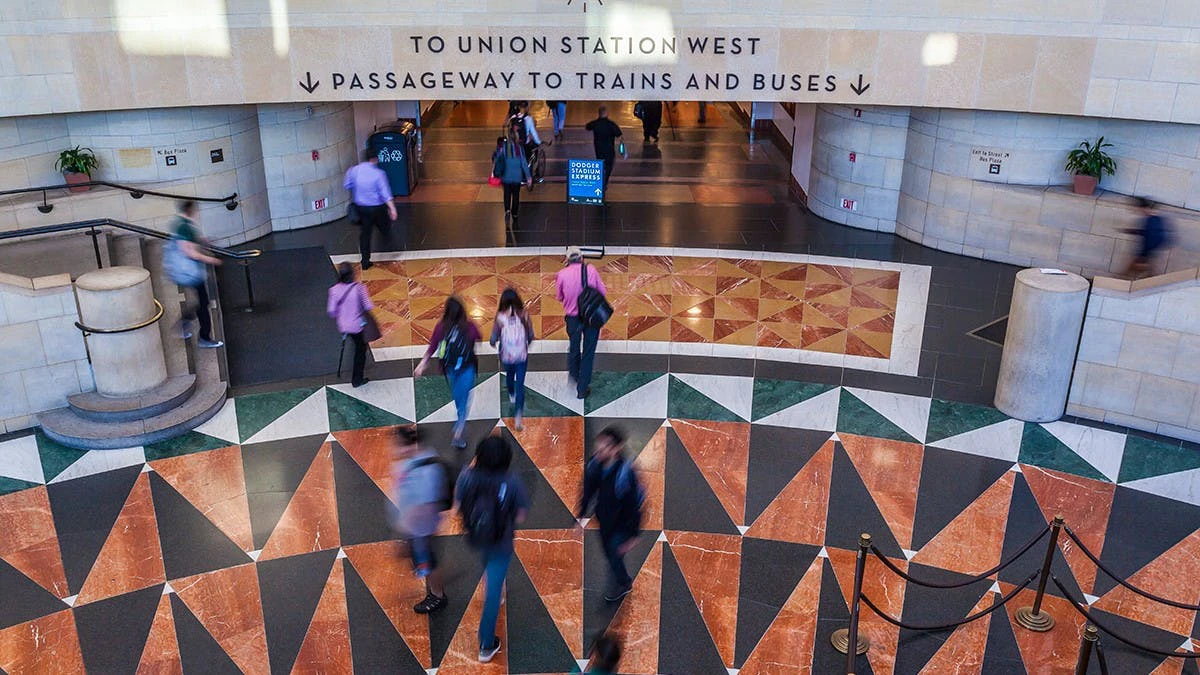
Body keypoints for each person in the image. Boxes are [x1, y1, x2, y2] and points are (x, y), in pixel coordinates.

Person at [455, 435, 528, 663]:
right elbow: (520, 515)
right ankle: (486, 644)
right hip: (501, 540)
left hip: (477, 537)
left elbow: (457, 506)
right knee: (492, 593)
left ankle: (499, 587)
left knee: (489, 565)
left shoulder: (467, 476)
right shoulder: (512, 481)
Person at [577, 426, 644, 602]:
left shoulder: (625, 474)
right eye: (598, 445)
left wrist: (633, 536)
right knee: (609, 552)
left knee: (614, 555)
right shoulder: (594, 464)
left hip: (622, 525)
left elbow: (634, 506)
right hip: (604, 520)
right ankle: (619, 576)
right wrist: (581, 515)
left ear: (616, 449)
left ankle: (624, 583)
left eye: (605, 446)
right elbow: (588, 490)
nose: (599, 449)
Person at [389, 424, 449, 614]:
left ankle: (437, 596)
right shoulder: (410, 463)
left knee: (429, 561)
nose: (396, 450)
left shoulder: (426, 470)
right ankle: (433, 586)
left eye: (399, 445)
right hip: (415, 527)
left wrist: (403, 528)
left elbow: (425, 504)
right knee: (425, 560)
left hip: (421, 528)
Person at [414, 297, 481, 449]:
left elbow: (432, 347)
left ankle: (460, 420)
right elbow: (478, 336)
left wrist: (422, 364)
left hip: (450, 368)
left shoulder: (441, 328)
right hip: (467, 367)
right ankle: (459, 428)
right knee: (464, 399)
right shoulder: (469, 326)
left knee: (458, 395)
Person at [169, 200, 224, 349]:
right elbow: (190, 252)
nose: (197, 213)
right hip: (191, 273)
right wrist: (212, 260)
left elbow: (187, 243)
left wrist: (202, 241)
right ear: (190, 210)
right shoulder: (185, 227)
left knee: (203, 302)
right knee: (203, 303)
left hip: (189, 272)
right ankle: (204, 337)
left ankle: (185, 324)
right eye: (196, 210)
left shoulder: (181, 224)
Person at [555, 246, 607, 399]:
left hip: (573, 318)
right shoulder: (591, 270)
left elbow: (559, 297)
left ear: (567, 260)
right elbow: (602, 292)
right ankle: (582, 388)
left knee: (574, 347)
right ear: (581, 258)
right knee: (588, 352)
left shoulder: (561, 275)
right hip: (591, 316)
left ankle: (574, 375)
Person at [344, 148, 397, 270]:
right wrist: (392, 208)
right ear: (374, 159)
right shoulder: (379, 174)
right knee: (385, 227)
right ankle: (387, 246)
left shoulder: (353, 171)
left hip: (361, 208)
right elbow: (385, 194)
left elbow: (347, 185)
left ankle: (365, 261)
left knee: (365, 234)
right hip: (378, 208)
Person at [490, 288, 534, 431]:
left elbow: (493, 338)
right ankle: (518, 418)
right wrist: (527, 342)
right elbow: (531, 335)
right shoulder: (524, 314)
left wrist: (494, 342)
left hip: (507, 355)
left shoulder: (500, 317)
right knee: (520, 384)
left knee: (509, 376)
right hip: (521, 355)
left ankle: (511, 394)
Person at [326, 262, 374, 387]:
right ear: (352, 274)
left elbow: (331, 311)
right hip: (357, 326)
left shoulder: (333, 290)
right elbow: (368, 306)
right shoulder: (359, 288)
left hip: (343, 325)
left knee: (355, 341)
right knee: (360, 351)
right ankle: (357, 379)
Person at [1122, 196, 1173, 279]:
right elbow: (1149, 233)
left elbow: (1151, 238)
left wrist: (1143, 256)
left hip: (1147, 253)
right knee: (1149, 274)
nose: (1135, 211)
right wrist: (1133, 231)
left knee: (1129, 271)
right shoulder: (1155, 219)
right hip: (1150, 253)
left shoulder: (1151, 221)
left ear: (1143, 208)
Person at [493, 126, 532, 223]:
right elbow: (524, 163)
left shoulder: (504, 147)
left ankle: (507, 210)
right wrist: (528, 177)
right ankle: (514, 213)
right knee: (516, 195)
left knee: (506, 194)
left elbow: (497, 158)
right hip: (517, 177)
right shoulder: (519, 148)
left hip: (506, 176)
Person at [585, 105, 626, 191]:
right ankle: (604, 182)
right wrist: (622, 149)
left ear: (599, 113)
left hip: (598, 149)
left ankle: (601, 182)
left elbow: (587, 127)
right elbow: (620, 135)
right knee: (608, 166)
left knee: (600, 165)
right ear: (607, 113)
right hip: (609, 149)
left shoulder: (595, 123)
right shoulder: (611, 124)